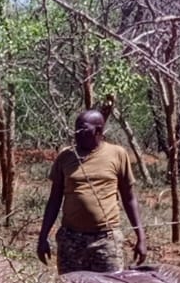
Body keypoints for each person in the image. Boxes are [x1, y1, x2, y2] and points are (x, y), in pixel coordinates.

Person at [36, 108, 146, 273]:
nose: (77, 134)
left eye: (83, 130)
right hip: (71, 240)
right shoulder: (65, 157)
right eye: (76, 129)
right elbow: (54, 199)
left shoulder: (117, 154)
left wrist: (141, 237)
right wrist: (43, 237)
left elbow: (129, 198)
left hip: (106, 241)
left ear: (99, 130)